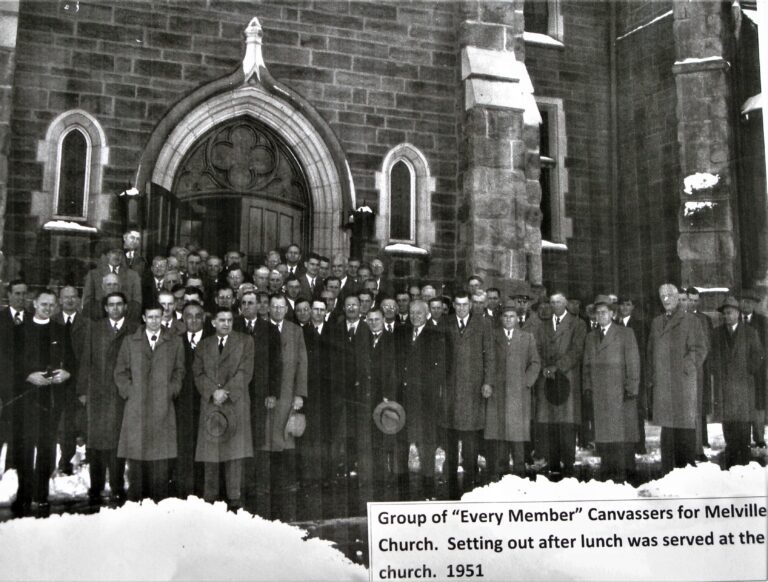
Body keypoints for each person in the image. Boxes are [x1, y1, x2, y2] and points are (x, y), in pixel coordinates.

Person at [12, 289, 74, 517]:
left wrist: (65, 374)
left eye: (51, 305)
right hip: (26, 398)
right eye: (43, 303)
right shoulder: (19, 331)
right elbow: (11, 362)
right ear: (34, 304)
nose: (47, 308)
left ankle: (41, 494)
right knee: (25, 447)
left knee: (47, 446)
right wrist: (28, 376)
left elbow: (71, 363)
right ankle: (24, 494)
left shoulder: (60, 331)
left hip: (51, 398)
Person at [114, 303, 185, 502]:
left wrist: (172, 390)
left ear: (163, 317)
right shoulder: (130, 342)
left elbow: (180, 371)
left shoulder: (174, 342)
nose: (154, 321)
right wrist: (130, 391)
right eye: (150, 317)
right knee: (136, 456)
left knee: (160, 459)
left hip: (163, 407)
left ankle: (158, 503)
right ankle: (136, 502)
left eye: (158, 317)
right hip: (137, 408)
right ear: (144, 319)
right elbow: (120, 372)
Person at [77, 292, 138, 505]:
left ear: (125, 306)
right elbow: (86, 359)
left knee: (117, 442)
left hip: (120, 394)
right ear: (105, 308)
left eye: (119, 304)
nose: (114, 308)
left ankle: (117, 485)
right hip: (97, 393)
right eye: (110, 305)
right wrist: (82, 391)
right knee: (95, 442)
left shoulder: (133, 328)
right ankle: (95, 487)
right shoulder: (95, 328)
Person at [193, 307, 254, 511]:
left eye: (229, 320)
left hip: (234, 402)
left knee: (234, 453)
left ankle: (234, 497)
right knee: (211, 452)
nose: (226, 323)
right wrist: (212, 392)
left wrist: (226, 392)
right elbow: (198, 373)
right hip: (211, 404)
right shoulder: (203, 346)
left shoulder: (245, 342)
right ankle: (210, 496)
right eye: (221, 320)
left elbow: (245, 371)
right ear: (213, 323)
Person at [646, 283, 708, 474]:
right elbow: (650, 352)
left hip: (682, 383)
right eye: (662, 295)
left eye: (669, 295)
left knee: (684, 429)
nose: (666, 299)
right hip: (664, 385)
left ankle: (685, 474)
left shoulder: (690, 321)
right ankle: (667, 473)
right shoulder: (656, 322)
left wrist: (684, 368)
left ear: (677, 297)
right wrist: (653, 376)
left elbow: (700, 349)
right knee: (668, 430)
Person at [440, 291, 494, 498]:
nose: (462, 308)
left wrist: (488, 382)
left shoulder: (483, 323)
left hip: (473, 387)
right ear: (453, 305)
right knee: (451, 433)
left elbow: (489, 355)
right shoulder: (446, 322)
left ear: (471, 305)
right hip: (451, 387)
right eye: (458, 304)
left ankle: (471, 478)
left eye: (465, 305)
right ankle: (452, 479)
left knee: (471, 435)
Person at [582, 296, 640, 482]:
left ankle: (627, 473)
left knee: (622, 435)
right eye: (598, 313)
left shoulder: (625, 333)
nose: (601, 315)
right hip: (600, 394)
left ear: (613, 314)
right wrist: (588, 387)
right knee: (605, 434)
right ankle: (607, 472)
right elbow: (586, 365)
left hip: (620, 393)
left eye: (604, 312)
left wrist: (631, 387)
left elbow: (634, 363)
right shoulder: (591, 337)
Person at [261, 294, 307, 520]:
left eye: (282, 307)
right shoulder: (261, 328)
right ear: (268, 308)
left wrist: (300, 394)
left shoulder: (295, 331)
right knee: (267, 439)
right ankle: (267, 485)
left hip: (288, 393)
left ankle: (286, 485)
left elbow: (302, 364)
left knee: (287, 438)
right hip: (269, 395)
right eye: (274, 306)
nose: (278, 310)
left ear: (286, 310)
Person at [395, 300, 447, 499]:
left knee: (426, 443)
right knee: (402, 441)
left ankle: (428, 485)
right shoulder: (401, 334)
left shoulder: (436, 336)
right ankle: (402, 487)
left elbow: (440, 369)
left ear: (427, 315)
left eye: (419, 313)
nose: (415, 316)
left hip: (426, 400)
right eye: (412, 313)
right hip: (403, 398)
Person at [483, 301, 541, 481]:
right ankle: (499, 475)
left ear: (517, 319)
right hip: (498, 393)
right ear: (501, 319)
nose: (508, 320)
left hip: (518, 396)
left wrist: (526, 382)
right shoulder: (493, 336)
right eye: (505, 316)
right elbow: (487, 362)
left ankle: (519, 474)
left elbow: (535, 363)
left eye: (512, 317)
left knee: (517, 437)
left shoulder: (527, 337)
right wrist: (488, 383)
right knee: (500, 435)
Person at [533, 292, 587, 478]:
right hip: (547, 378)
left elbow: (577, 350)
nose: (555, 305)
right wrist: (544, 367)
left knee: (567, 423)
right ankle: (553, 462)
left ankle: (569, 464)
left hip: (567, 378)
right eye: (553, 302)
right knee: (551, 423)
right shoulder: (543, 325)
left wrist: (557, 367)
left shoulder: (578, 324)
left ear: (566, 304)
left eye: (559, 302)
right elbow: (537, 348)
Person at [711, 297, 765, 468]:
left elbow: (759, 356)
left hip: (743, 388)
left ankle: (744, 462)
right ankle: (731, 460)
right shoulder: (717, 333)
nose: (727, 316)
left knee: (743, 426)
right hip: (725, 387)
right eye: (725, 313)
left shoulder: (750, 332)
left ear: (738, 313)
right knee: (728, 425)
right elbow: (711, 357)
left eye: (730, 313)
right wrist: (718, 370)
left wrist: (748, 370)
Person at [174, 301, 210, 499]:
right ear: (183, 319)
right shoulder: (176, 341)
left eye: (198, 316)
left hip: (207, 403)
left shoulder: (213, 340)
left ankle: (205, 491)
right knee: (185, 447)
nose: (194, 320)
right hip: (183, 405)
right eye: (189, 316)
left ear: (204, 318)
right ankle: (184, 491)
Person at [53, 285, 87, 475]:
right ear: (60, 300)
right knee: (62, 425)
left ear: (79, 300)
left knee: (80, 423)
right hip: (57, 383)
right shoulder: (52, 321)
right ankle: (63, 463)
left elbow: (88, 358)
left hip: (79, 383)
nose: (70, 300)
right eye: (66, 297)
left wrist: (83, 386)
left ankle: (83, 464)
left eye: (73, 297)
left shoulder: (87, 324)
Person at [617, 295, 648, 454]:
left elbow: (643, 351)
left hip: (635, 372)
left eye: (627, 304)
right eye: (622, 304)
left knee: (637, 409)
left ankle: (639, 444)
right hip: (618, 374)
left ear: (633, 307)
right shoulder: (614, 324)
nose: (624, 308)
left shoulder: (640, 326)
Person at [739, 289, 768, 447]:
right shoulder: (733, 319)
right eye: (743, 301)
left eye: (749, 302)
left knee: (758, 403)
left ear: (755, 304)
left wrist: (757, 365)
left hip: (758, 370)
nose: (746, 305)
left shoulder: (763, 322)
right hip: (739, 372)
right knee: (742, 402)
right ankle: (743, 437)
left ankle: (759, 437)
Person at [82, 247, 142, 322]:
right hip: (98, 320)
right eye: (113, 253)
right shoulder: (93, 274)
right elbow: (87, 302)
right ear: (107, 255)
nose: (117, 256)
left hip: (126, 320)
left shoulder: (133, 275)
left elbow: (137, 303)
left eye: (120, 253)